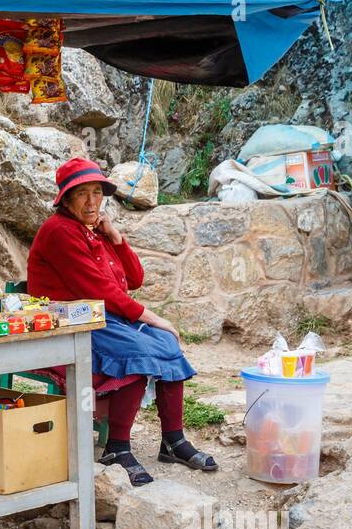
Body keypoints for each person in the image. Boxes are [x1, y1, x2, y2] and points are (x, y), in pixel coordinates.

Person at [27, 157, 216, 485]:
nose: (91, 202)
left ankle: (173, 440)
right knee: (137, 350)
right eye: (82, 193)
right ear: (66, 199)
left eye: (97, 193)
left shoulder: (92, 232)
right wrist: (153, 317)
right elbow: (98, 290)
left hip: (104, 319)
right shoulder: (59, 231)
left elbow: (135, 277)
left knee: (166, 343)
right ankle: (116, 447)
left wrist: (114, 235)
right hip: (68, 325)